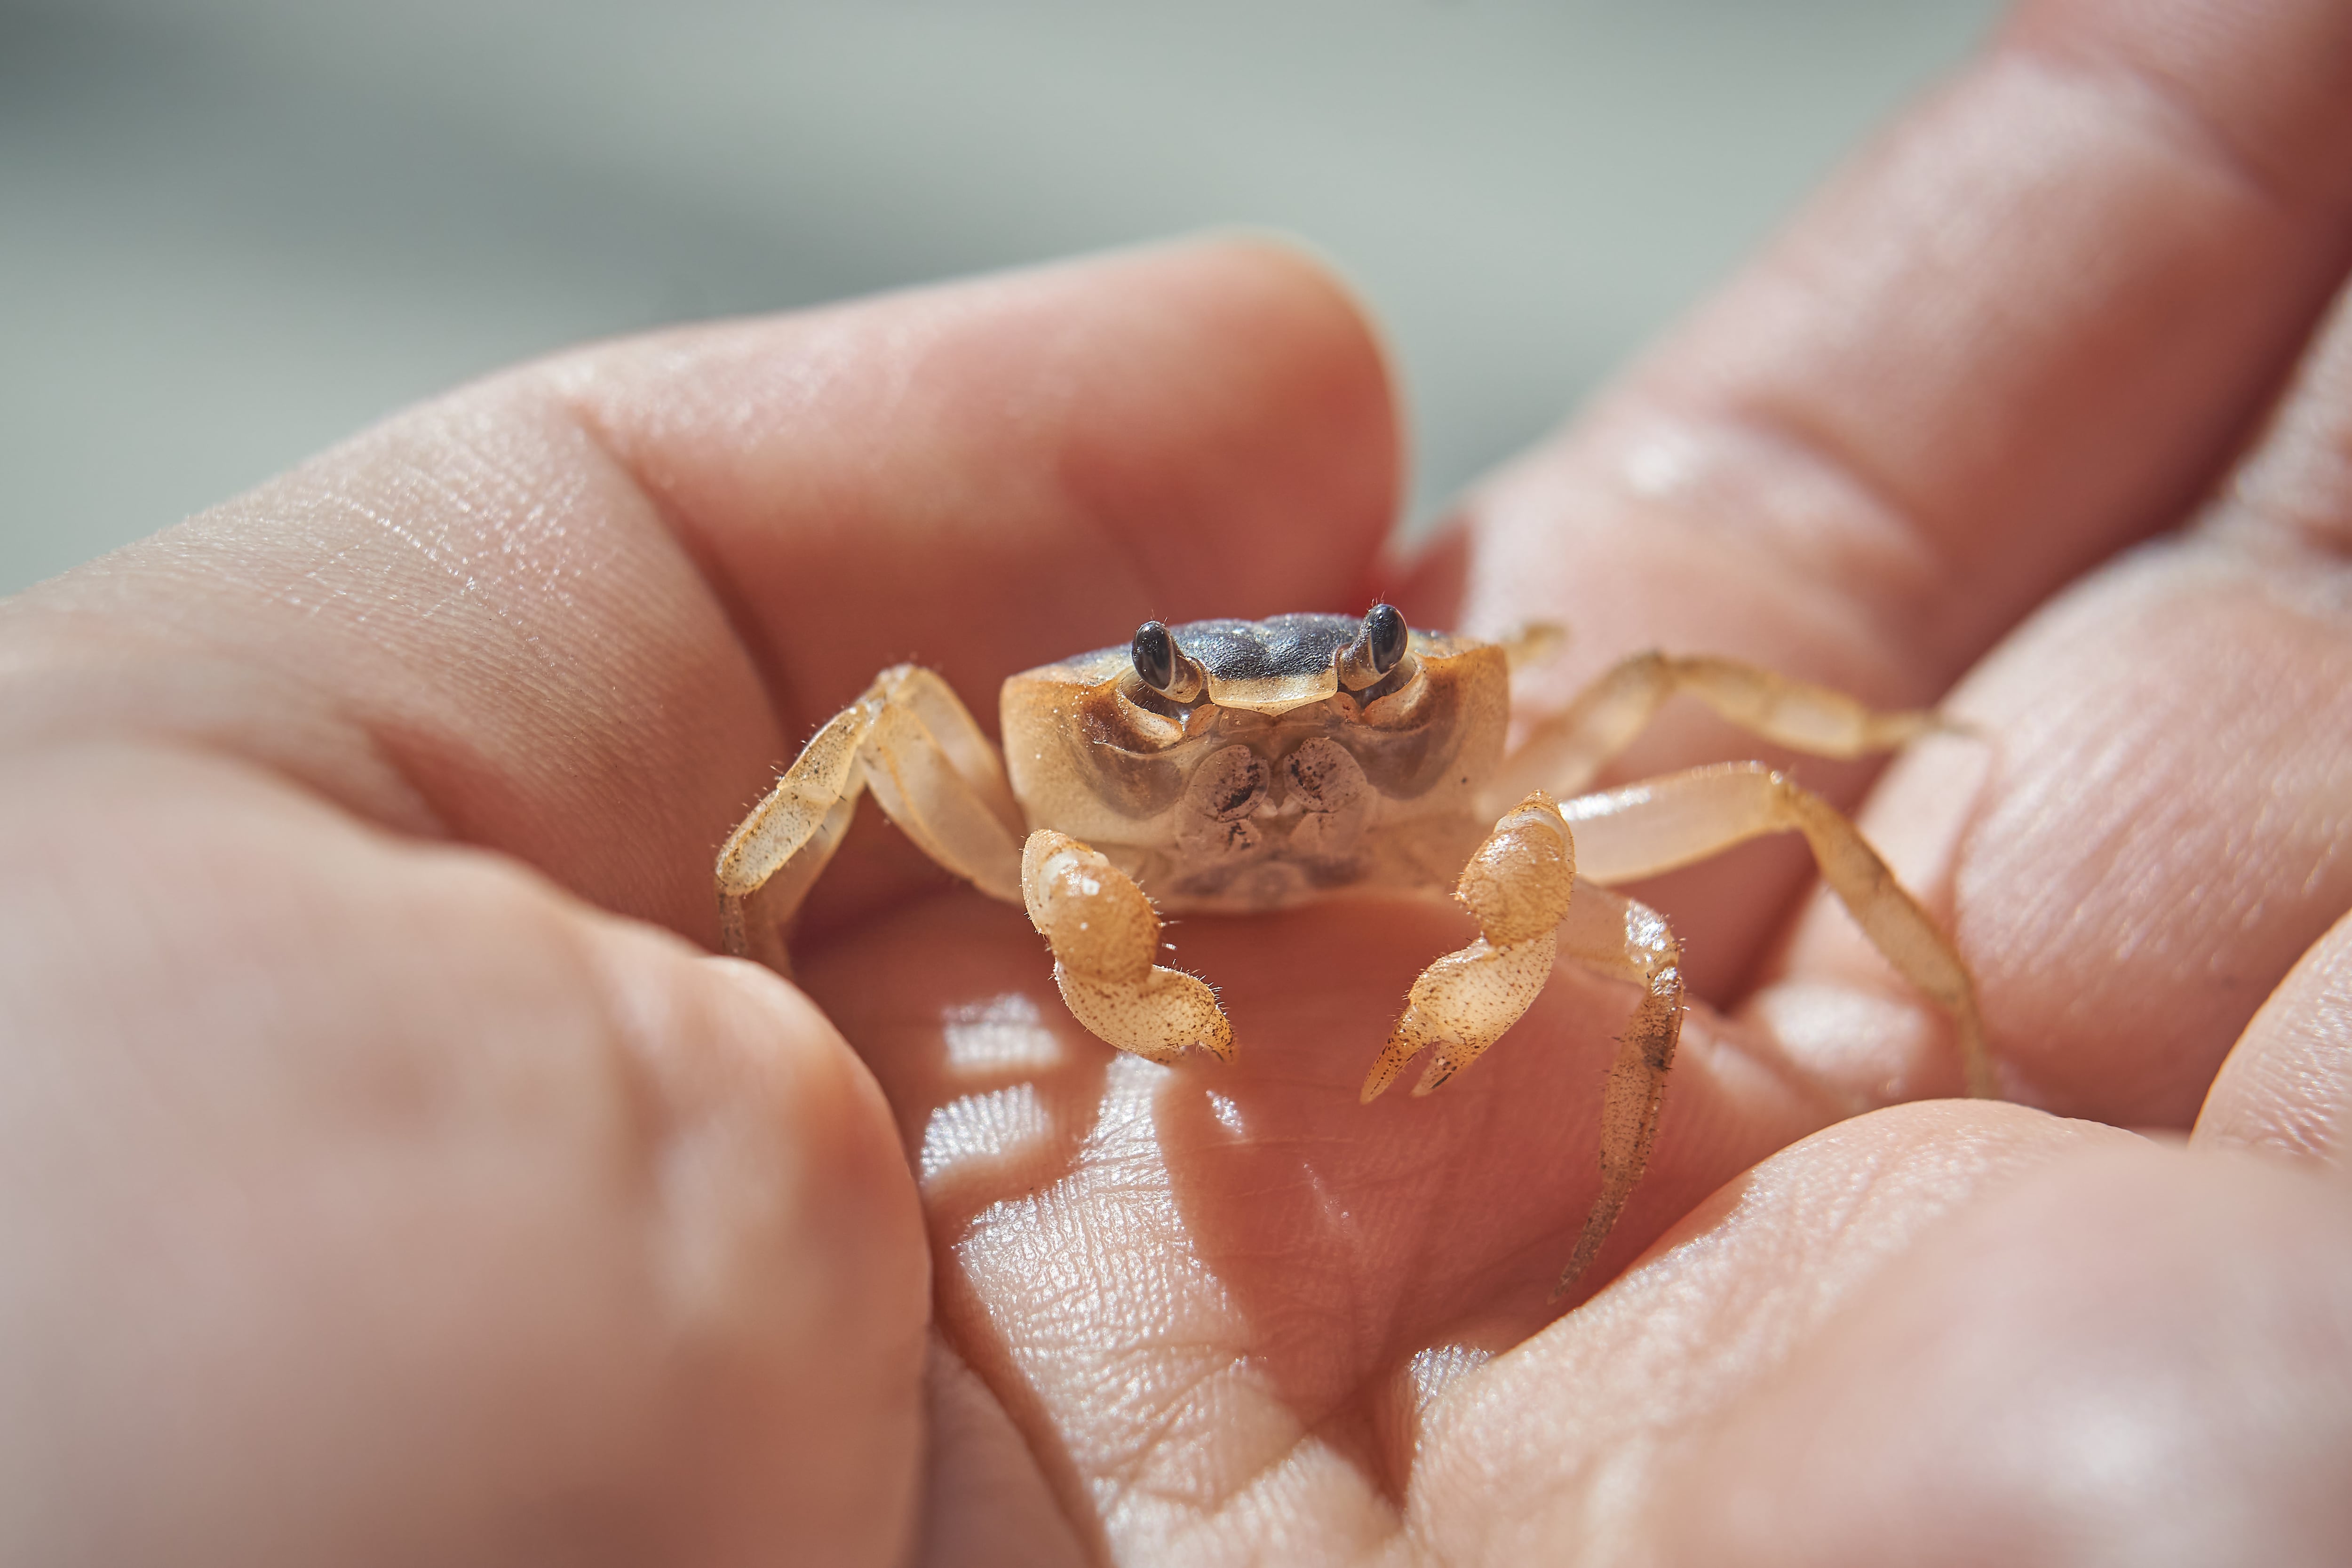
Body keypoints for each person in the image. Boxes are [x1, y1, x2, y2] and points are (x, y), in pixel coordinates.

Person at [4, 0, 2348, 1562]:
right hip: (1064, 964)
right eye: (1198, 721)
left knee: (1716, 826)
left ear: (1409, 684)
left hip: (1442, 880)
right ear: (1106, 708)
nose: (1275, 767)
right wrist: (754, 957)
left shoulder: (1467, 751)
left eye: (1339, 705)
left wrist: (1859, 798)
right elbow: (848, 762)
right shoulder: (1021, 782)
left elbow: (1718, 773)